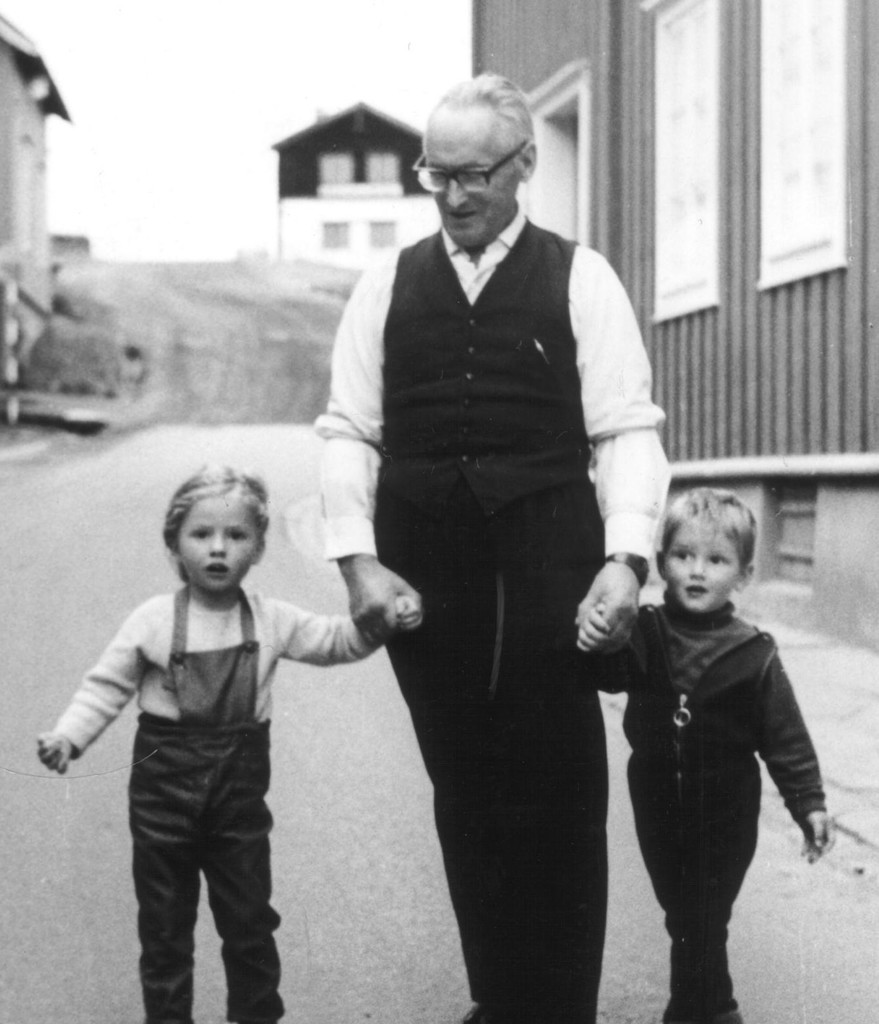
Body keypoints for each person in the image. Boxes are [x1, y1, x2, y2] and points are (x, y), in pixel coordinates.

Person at [315, 73, 670, 1024]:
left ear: (523, 165)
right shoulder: (386, 283)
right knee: (461, 784)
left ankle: (560, 1006)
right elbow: (348, 427)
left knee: (555, 788)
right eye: (437, 174)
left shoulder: (580, 276)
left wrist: (624, 561)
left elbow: (626, 430)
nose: (456, 195)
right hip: (424, 569)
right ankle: (499, 997)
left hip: (551, 560)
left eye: (476, 174)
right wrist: (358, 559)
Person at [36, 465, 421, 1024]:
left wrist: (380, 621)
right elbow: (105, 687)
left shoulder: (271, 619)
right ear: (175, 543)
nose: (218, 549)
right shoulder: (152, 620)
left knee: (249, 924)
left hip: (238, 810)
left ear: (259, 547)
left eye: (236, 536)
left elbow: (336, 640)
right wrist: (69, 738)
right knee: (165, 930)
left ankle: (257, 1015)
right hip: (160, 807)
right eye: (201, 535)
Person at [582, 487, 834, 1024]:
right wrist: (602, 638)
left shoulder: (755, 654)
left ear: (742, 575)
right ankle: (708, 1003)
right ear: (660, 564)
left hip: (726, 810)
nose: (698, 571)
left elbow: (786, 738)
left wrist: (808, 802)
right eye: (683, 556)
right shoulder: (645, 630)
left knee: (704, 914)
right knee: (682, 913)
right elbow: (608, 676)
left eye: (716, 560)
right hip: (656, 801)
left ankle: (707, 1009)